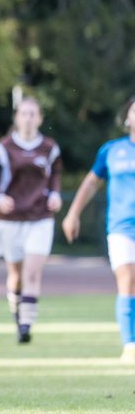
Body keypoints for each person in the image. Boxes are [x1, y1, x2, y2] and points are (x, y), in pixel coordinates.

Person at [62, 95, 135, 363]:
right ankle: (130, 346)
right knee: (127, 280)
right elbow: (91, 183)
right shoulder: (112, 150)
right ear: (127, 118)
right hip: (121, 226)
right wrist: (72, 214)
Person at [0, 96, 63, 343]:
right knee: (16, 276)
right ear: (17, 118)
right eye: (24, 113)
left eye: (33, 114)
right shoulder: (4, 147)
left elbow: (55, 177)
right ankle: (19, 313)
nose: (28, 118)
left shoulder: (50, 148)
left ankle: (25, 327)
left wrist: (56, 196)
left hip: (40, 218)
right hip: (10, 220)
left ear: (39, 118)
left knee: (32, 272)